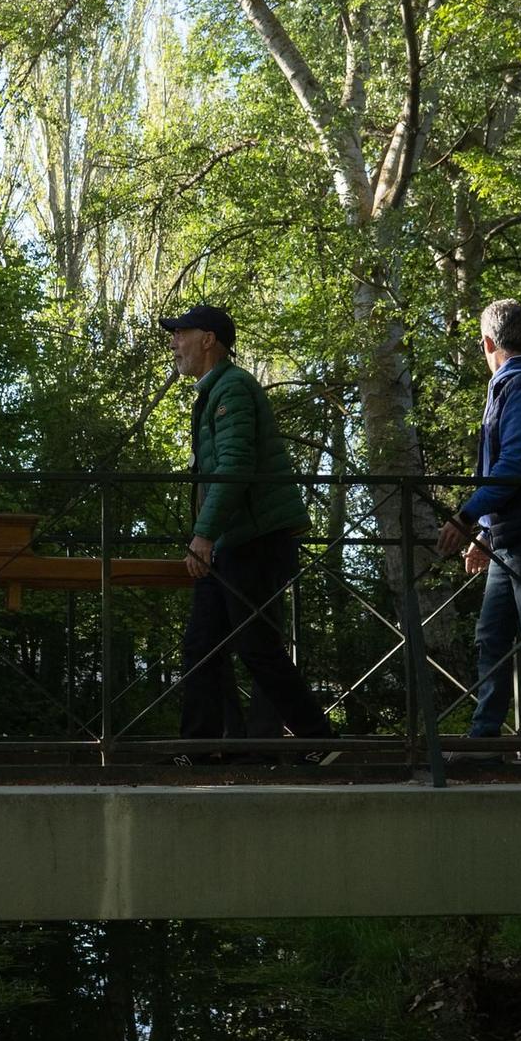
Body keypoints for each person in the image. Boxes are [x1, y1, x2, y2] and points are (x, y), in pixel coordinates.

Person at [162, 304, 336, 748]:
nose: (173, 342)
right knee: (202, 645)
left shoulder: (233, 388)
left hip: (253, 540)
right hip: (229, 540)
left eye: (180, 333)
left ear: (208, 339)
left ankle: (320, 741)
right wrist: (209, 535)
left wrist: (202, 534)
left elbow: (235, 467)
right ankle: (200, 750)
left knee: (257, 647)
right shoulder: (215, 391)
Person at [434, 299, 521, 758]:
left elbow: (514, 464)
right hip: (511, 534)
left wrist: (466, 517)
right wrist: (485, 535)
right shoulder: (516, 385)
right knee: (492, 635)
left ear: (488, 342)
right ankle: (485, 739)